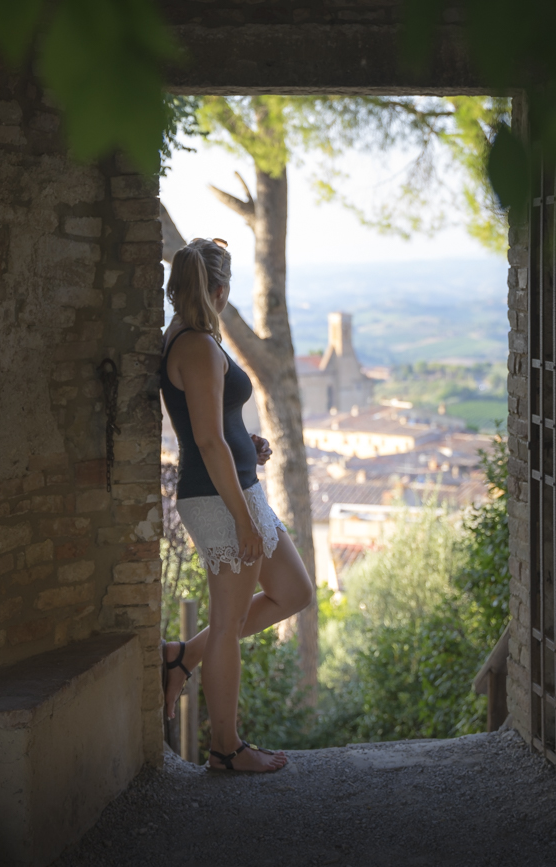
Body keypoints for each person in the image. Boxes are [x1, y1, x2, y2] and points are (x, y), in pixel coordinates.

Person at [158, 237, 313, 773]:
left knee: (293, 591)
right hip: (222, 501)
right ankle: (225, 749)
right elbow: (205, 441)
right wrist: (245, 522)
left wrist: (253, 447)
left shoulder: (195, 338)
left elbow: (220, 428)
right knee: (227, 624)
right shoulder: (196, 346)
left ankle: (180, 658)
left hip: (237, 490)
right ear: (220, 290)